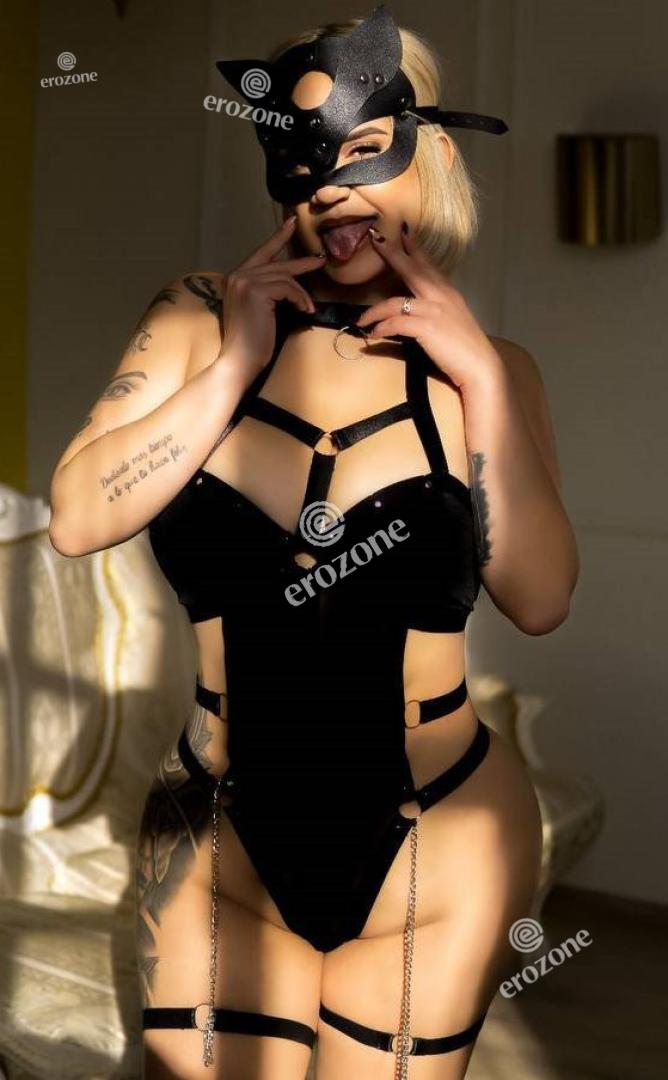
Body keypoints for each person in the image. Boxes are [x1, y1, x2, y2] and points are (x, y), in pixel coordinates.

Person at [48, 7, 579, 1078]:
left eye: (363, 148)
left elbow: (539, 598)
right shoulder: (197, 318)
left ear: (429, 154)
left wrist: (478, 378)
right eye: (300, 159)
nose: (331, 185)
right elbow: (77, 518)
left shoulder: (494, 370)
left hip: (441, 838)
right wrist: (234, 366)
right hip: (219, 828)